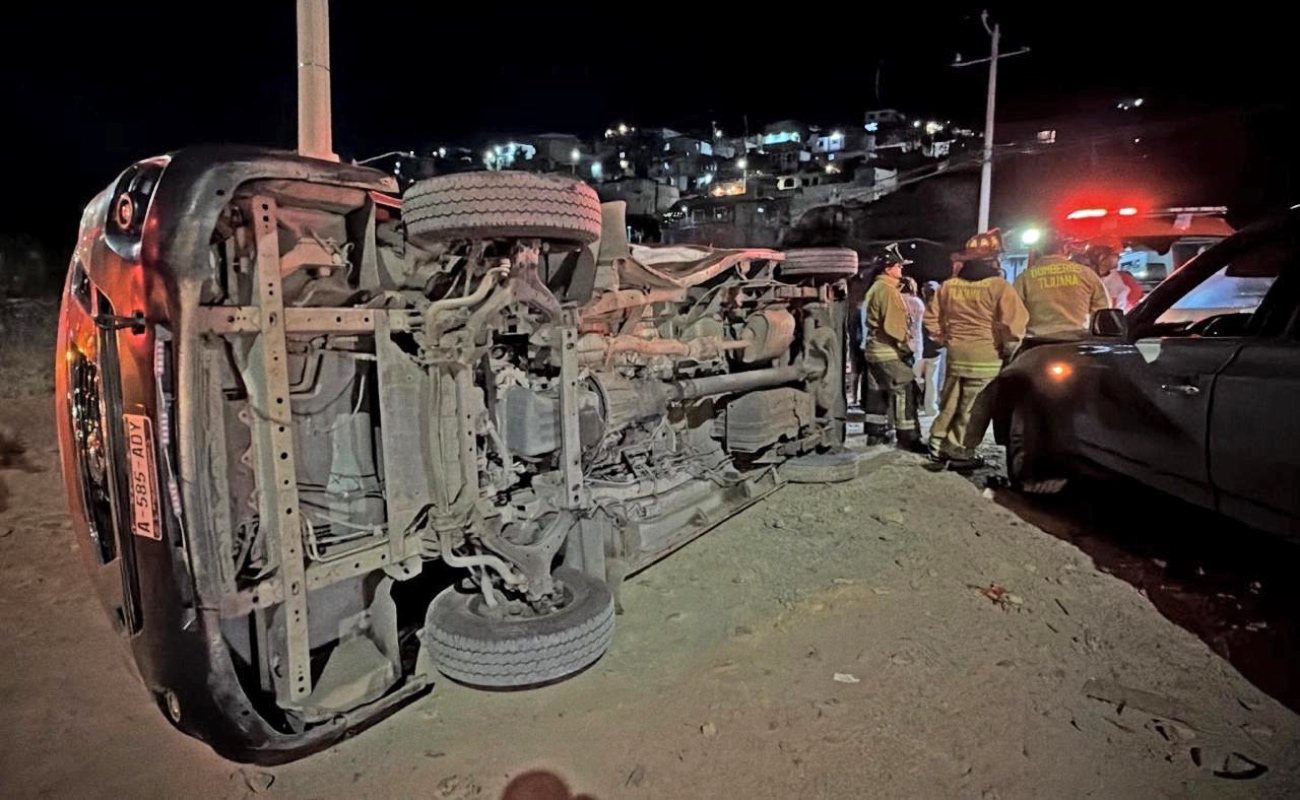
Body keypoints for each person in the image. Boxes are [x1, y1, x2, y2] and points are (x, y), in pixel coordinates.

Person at [924, 230, 1029, 469]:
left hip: (955, 355)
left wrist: (945, 338)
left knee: (950, 401)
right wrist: (1007, 347)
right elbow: (1015, 324)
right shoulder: (999, 287)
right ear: (992, 260)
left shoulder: (948, 287)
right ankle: (961, 451)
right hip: (986, 357)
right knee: (973, 409)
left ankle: (938, 443)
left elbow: (931, 319)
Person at [862, 243, 924, 451]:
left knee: (877, 392)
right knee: (905, 388)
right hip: (887, 351)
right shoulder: (887, 290)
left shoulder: (876, 288)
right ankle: (909, 437)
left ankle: (876, 434)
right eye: (899, 266)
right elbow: (893, 326)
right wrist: (905, 346)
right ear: (888, 268)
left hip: (873, 351)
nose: (901, 270)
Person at [1013, 229, 1110, 338]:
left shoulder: (1025, 278)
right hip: (1077, 343)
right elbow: (1103, 312)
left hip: (1038, 345)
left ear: (1040, 249)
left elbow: (1012, 316)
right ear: (1065, 247)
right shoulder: (1087, 274)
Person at [1082, 235, 1145, 312]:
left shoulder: (1126, 279)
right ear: (1101, 256)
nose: (1119, 258)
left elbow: (1135, 308)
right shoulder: (1081, 278)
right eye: (1116, 255)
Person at [917, 280, 943, 416]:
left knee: (916, 379)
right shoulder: (940, 308)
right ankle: (930, 407)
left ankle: (915, 405)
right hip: (933, 349)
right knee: (931, 380)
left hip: (917, 347)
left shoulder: (917, 305)